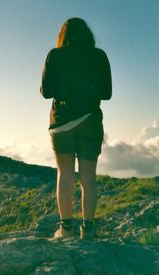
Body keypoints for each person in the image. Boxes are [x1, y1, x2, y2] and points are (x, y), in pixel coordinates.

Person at [40, 18, 112, 239]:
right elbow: (107, 94)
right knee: (88, 177)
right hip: (90, 119)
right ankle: (88, 229)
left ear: (64, 36)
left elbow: (46, 91)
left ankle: (66, 229)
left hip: (62, 121)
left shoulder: (55, 55)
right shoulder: (99, 56)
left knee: (65, 175)